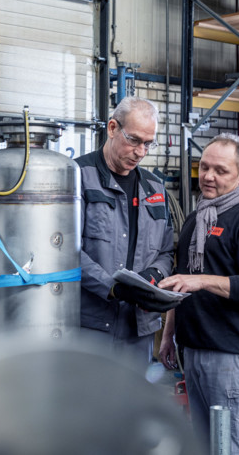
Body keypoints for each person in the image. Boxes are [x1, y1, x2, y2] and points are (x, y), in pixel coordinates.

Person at [157, 133, 239, 454]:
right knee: (204, 446)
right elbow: (179, 279)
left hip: (232, 357)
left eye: (220, 170)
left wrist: (202, 281)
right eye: (204, 167)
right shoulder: (197, 218)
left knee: (236, 448)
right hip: (193, 351)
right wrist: (169, 335)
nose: (208, 176)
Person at [76, 96, 178, 365]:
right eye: (133, 140)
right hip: (89, 326)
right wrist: (114, 288)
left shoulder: (155, 188)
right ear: (112, 128)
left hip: (138, 328)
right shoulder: (77, 176)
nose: (141, 152)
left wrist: (152, 276)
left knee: (131, 403)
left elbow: (166, 249)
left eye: (148, 143)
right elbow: (63, 250)